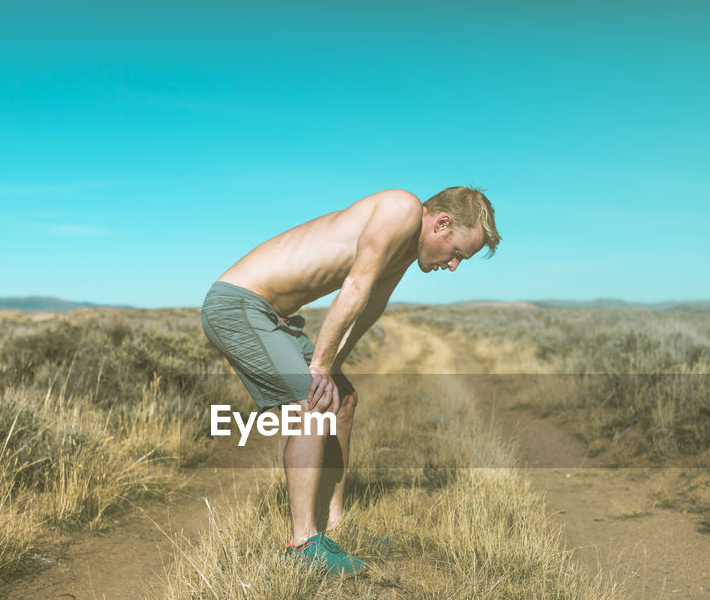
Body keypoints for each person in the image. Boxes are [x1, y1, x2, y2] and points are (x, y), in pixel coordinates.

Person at [201, 186, 500, 574]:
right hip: (239, 303)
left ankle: (335, 524)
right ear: (441, 224)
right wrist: (319, 368)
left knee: (341, 399)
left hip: (274, 315)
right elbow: (355, 286)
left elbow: (371, 305)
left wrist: (332, 368)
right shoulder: (401, 209)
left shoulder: (406, 249)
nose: (454, 265)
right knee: (311, 400)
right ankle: (303, 543)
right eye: (457, 253)